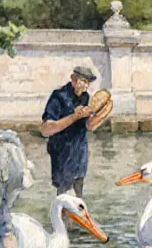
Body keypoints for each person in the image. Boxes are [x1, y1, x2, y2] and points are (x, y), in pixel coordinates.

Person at [40, 65, 106, 197]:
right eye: (83, 81)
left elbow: (86, 126)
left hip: (80, 150)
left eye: (88, 82)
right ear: (73, 79)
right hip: (62, 150)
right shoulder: (58, 96)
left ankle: (77, 216)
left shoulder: (85, 97)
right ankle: (63, 216)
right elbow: (46, 129)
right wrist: (74, 116)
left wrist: (99, 116)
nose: (85, 86)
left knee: (78, 188)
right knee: (64, 190)